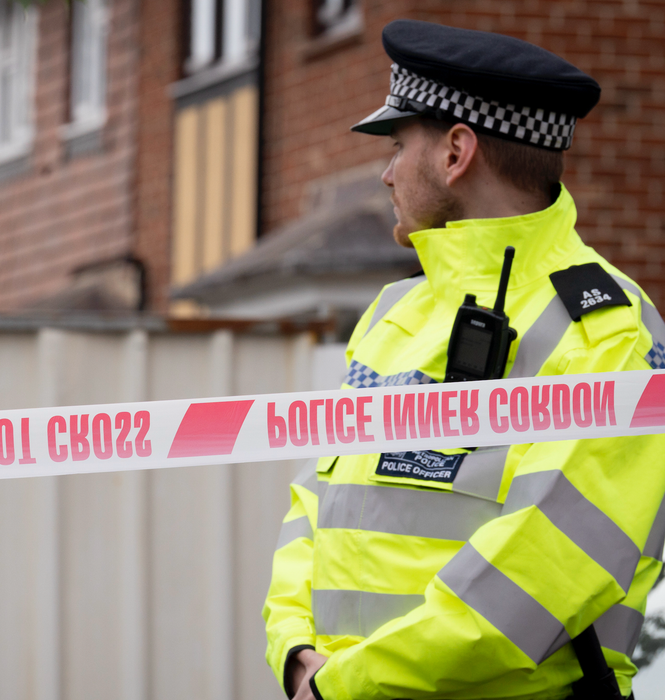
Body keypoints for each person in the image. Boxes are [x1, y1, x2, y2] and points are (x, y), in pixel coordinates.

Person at [263, 19, 665, 700]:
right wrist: (295, 651)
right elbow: (316, 504)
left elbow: (541, 571)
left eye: (396, 146)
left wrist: (344, 683)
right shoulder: (393, 313)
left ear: (455, 152)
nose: (386, 173)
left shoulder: (608, 332)